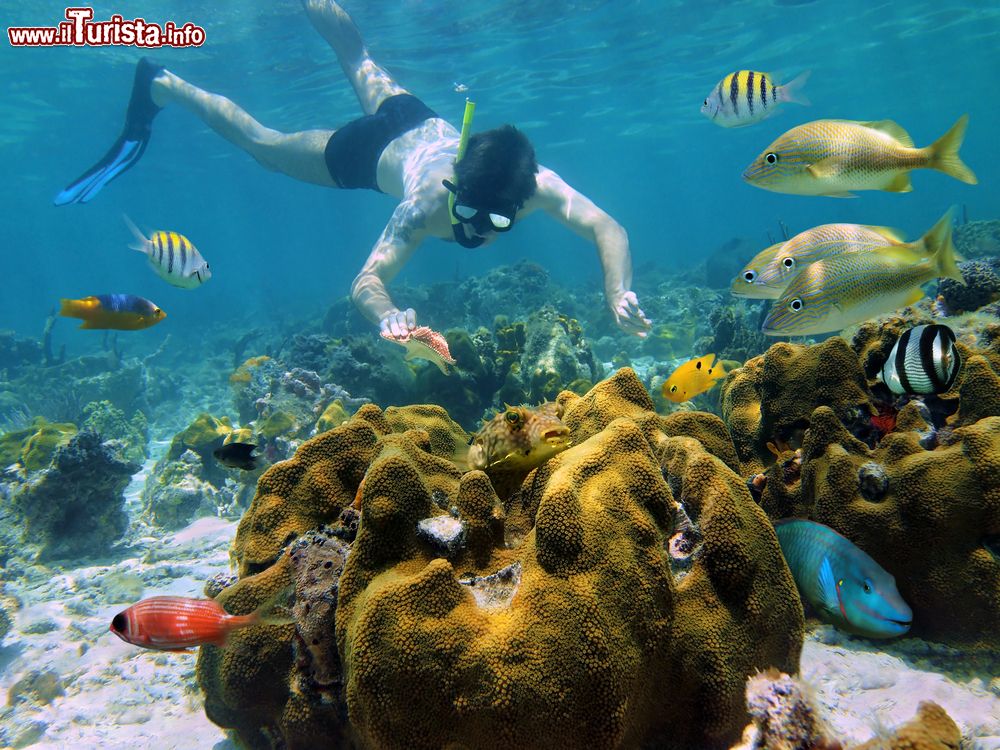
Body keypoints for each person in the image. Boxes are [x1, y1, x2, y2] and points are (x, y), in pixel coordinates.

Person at [55, 0, 652, 342]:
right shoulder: (424, 204)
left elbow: (609, 229)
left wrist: (616, 290)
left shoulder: (537, 185)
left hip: (414, 116)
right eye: (466, 210)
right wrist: (386, 313)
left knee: (358, 55)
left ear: (523, 199)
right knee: (264, 146)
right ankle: (162, 83)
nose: (477, 229)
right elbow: (366, 280)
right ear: (454, 183)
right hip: (367, 154)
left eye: (497, 218)